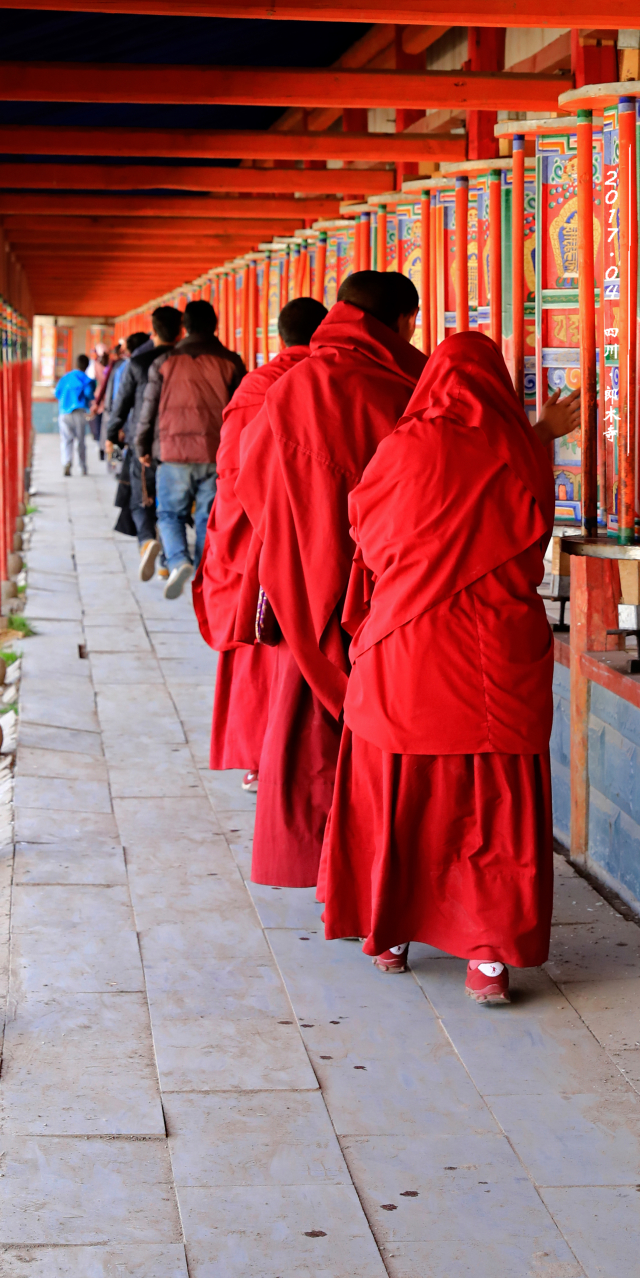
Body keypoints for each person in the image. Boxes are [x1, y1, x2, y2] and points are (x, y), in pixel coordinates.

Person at [321, 332, 581, 1004]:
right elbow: (527, 537)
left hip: (406, 651)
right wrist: (541, 432)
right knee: (491, 804)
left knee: (401, 794)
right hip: (494, 652)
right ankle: (488, 962)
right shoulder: (514, 450)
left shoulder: (399, 450)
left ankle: (390, 935)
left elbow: (365, 538)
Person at [236, 271, 425, 888]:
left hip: (299, 573)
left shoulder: (291, 386)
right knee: (376, 726)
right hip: (380, 586)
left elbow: (251, 482)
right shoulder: (397, 389)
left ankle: (305, 860)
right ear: (396, 323)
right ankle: (367, 873)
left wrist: (298, 542)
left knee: (304, 723)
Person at [194, 297, 327, 789]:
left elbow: (228, 470)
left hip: (249, 535)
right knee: (297, 651)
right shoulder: (324, 382)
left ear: (279, 335)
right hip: (301, 538)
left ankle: (256, 754)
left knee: (257, 642)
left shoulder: (256, 384)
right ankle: (291, 757)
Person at [135, 298, 244, 600]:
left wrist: (142, 445)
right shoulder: (232, 362)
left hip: (172, 451)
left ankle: (178, 560)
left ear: (184, 328)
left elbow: (149, 409)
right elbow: (241, 411)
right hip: (216, 451)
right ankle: (201, 576)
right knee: (207, 517)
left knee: (169, 514)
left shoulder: (165, 362)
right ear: (215, 326)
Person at [106, 313, 181, 566]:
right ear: (181, 332)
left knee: (141, 499)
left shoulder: (137, 363)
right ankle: (168, 559)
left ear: (154, 332)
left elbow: (121, 404)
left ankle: (147, 540)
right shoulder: (185, 361)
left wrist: (111, 436)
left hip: (144, 443)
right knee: (172, 506)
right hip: (176, 444)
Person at [55, 354, 95, 476]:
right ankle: (82, 467)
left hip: (64, 412)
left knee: (66, 440)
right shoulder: (87, 380)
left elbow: (57, 393)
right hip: (80, 412)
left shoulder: (65, 378)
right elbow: (89, 394)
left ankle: (67, 462)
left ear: (75, 364)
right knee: (81, 441)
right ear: (87, 366)